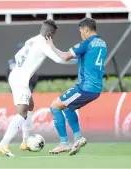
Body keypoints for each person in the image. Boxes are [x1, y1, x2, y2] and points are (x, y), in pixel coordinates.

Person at [0, 19, 77, 157]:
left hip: (16, 74)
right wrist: (78, 62)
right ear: (50, 33)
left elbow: (18, 56)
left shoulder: (31, 40)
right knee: (22, 113)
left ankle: (25, 142)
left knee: (31, 106)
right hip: (21, 80)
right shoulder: (43, 44)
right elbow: (59, 59)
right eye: (53, 34)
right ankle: (3, 144)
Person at [46, 18, 107, 156]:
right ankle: (78, 138)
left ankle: (64, 143)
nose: (81, 34)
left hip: (86, 87)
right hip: (95, 88)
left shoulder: (87, 43)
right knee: (67, 107)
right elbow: (82, 59)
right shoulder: (102, 43)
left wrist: (52, 47)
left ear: (86, 30)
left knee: (55, 106)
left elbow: (66, 56)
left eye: (81, 31)